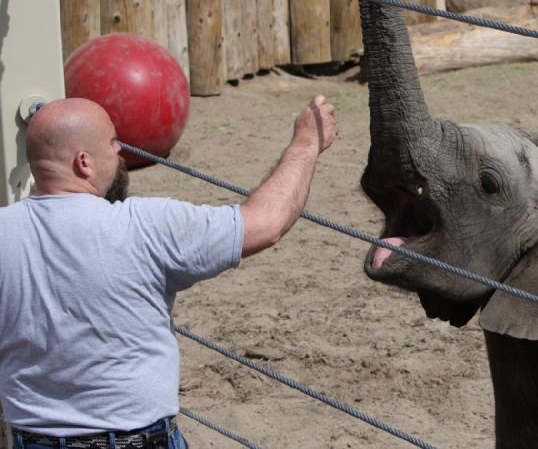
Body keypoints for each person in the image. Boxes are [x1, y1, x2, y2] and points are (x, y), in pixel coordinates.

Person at [0, 95, 338, 448]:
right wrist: (305, 144)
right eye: (112, 143)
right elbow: (266, 223)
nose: (119, 151)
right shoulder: (144, 225)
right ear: (83, 162)